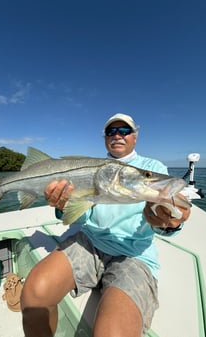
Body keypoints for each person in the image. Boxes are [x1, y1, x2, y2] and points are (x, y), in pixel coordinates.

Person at [21, 113, 191, 337]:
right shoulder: (92, 167)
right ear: (105, 138)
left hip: (134, 254)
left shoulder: (152, 165)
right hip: (90, 241)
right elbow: (83, 217)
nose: (118, 135)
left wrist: (169, 222)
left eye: (125, 131)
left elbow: (164, 213)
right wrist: (62, 206)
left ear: (135, 137)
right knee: (33, 295)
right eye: (111, 131)